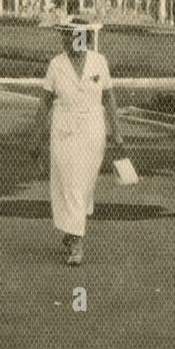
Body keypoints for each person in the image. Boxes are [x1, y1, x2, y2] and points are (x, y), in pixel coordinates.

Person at [31, 17, 126, 266]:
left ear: (83, 37)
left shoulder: (98, 61)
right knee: (71, 183)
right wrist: (36, 136)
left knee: (84, 186)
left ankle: (72, 229)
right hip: (64, 131)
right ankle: (76, 243)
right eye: (64, 36)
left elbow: (109, 97)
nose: (66, 40)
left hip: (93, 131)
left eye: (71, 36)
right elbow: (44, 102)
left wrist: (116, 132)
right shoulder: (56, 65)